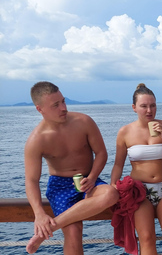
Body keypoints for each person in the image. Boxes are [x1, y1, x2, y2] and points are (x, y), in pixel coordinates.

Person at [24, 81, 119, 254]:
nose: (63, 108)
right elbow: (31, 180)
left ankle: (50, 229)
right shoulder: (36, 140)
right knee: (73, 232)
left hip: (89, 179)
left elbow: (101, 153)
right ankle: (55, 226)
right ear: (40, 109)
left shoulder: (84, 121)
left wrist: (92, 177)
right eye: (55, 105)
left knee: (111, 194)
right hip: (60, 186)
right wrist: (39, 214)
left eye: (63, 101)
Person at [110, 83, 162, 255]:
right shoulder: (125, 132)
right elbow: (118, 164)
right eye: (143, 106)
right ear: (134, 108)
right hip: (139, 191)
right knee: (146, 238)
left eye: (152, 105)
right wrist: (113, 187)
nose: (149, 110)